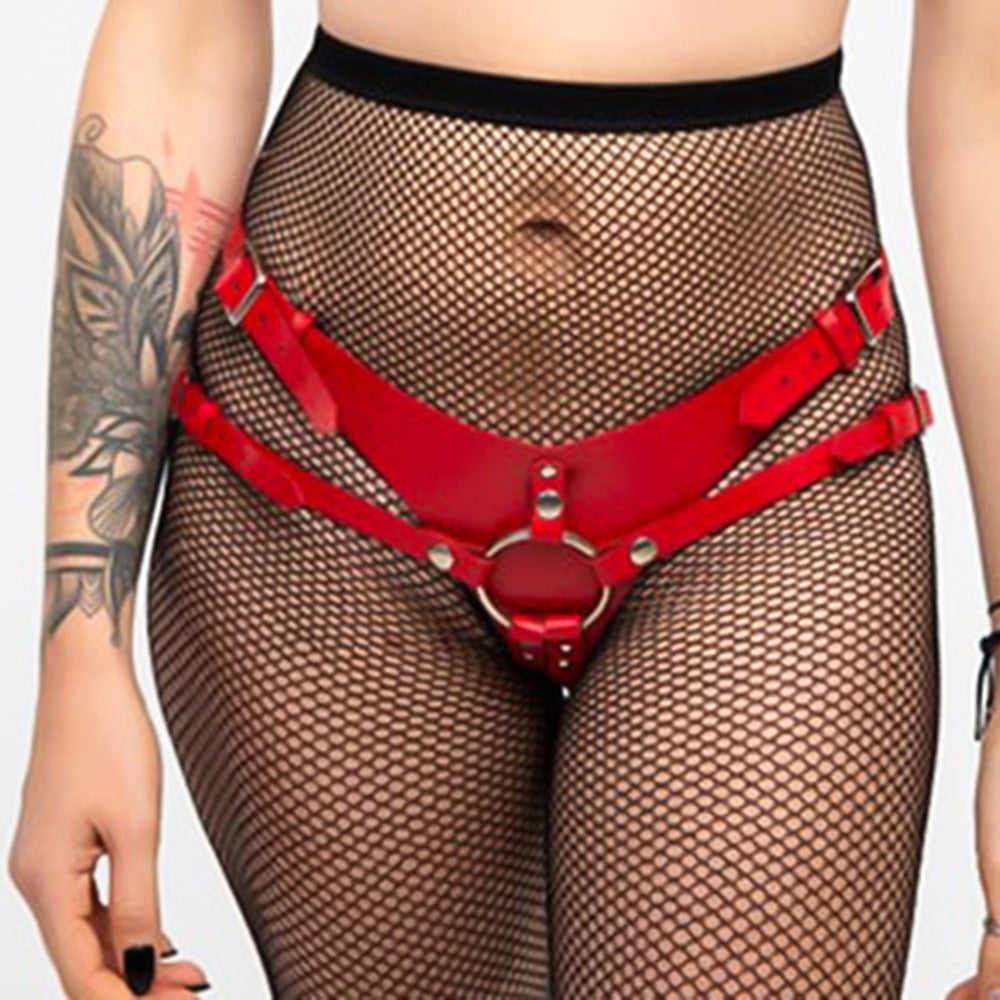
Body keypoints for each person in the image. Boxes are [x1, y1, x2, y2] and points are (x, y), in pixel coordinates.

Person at [7, 0, 1000, 996]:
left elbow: (985, 88)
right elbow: (183, 33)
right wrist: (81, 653)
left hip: (774, 484)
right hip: (324, 487)